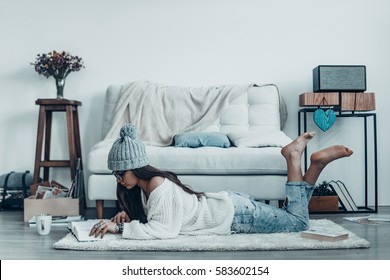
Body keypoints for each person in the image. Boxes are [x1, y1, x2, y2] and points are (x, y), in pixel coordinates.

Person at [89, 124, 353, 239]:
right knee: (292, 216)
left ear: (135, 167)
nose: (118, 179)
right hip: (232, 206)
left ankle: (294, 156)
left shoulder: (158, 184)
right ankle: (315, 165)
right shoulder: (147, 189)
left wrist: (120, 230)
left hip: (237, 216)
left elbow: (164, 231)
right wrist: (127, 215)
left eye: (120, 173)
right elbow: (157, 218)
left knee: (297, 223)